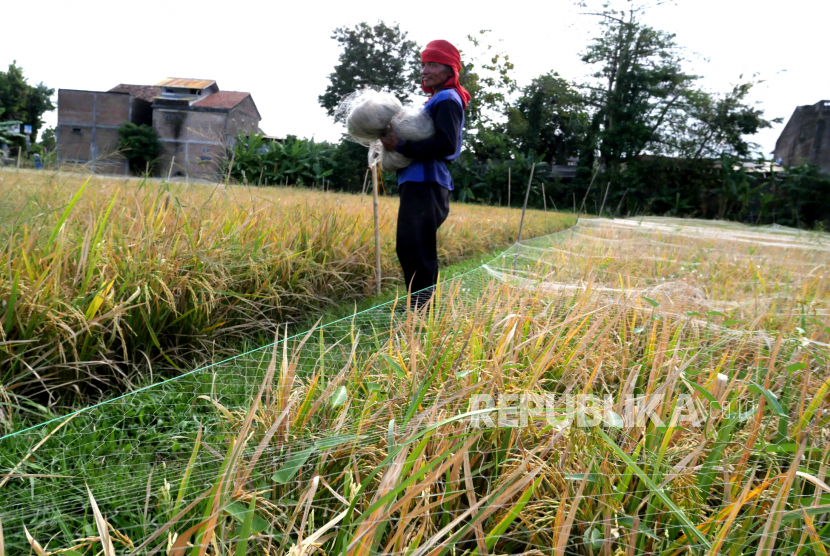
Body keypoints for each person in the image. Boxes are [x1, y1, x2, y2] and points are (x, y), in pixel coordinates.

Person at [380, 39, 471, 310]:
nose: (424, 70)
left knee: (416, 249)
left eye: (432, 64)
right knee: (411, 247)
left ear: (449, 69)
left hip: (427, 183)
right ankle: (418, 307)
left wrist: (401, 146)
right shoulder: (438, 99)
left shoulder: (447, 99)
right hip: (420, 182)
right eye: (422, 64)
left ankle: (421, 311)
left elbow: (447, 145)